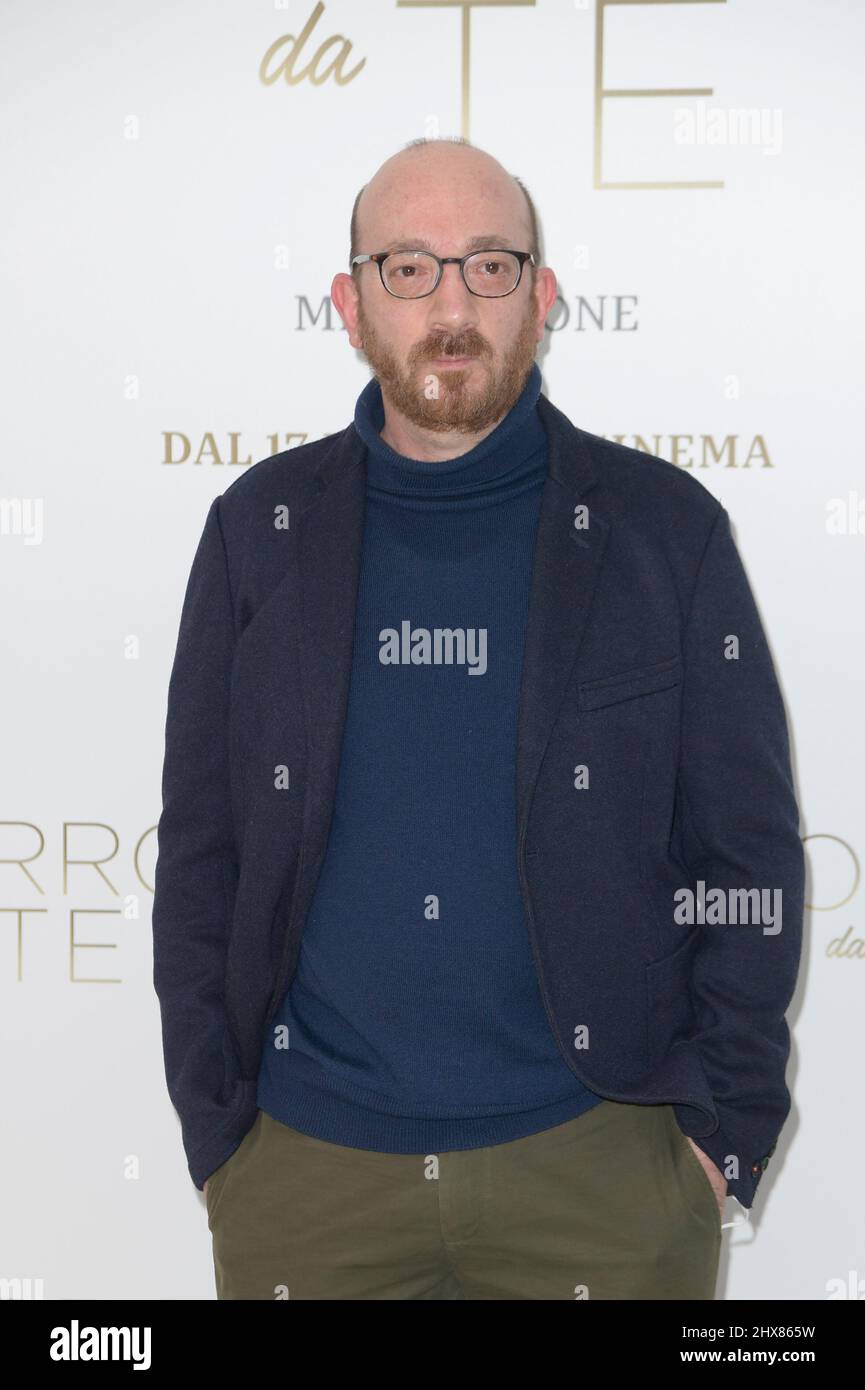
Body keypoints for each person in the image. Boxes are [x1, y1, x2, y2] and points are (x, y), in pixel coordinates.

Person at [152, 136, 804, 1300]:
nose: (451, 304)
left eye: (489, 267)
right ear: (351, 305)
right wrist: (220, 1139)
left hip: (603, 1175)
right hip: (307, 1179)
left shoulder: (666, 532)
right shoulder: (259, 533)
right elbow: (202, 854)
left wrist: (717, 1137)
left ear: (542, 298)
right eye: (410, 268)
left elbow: (745, 855)